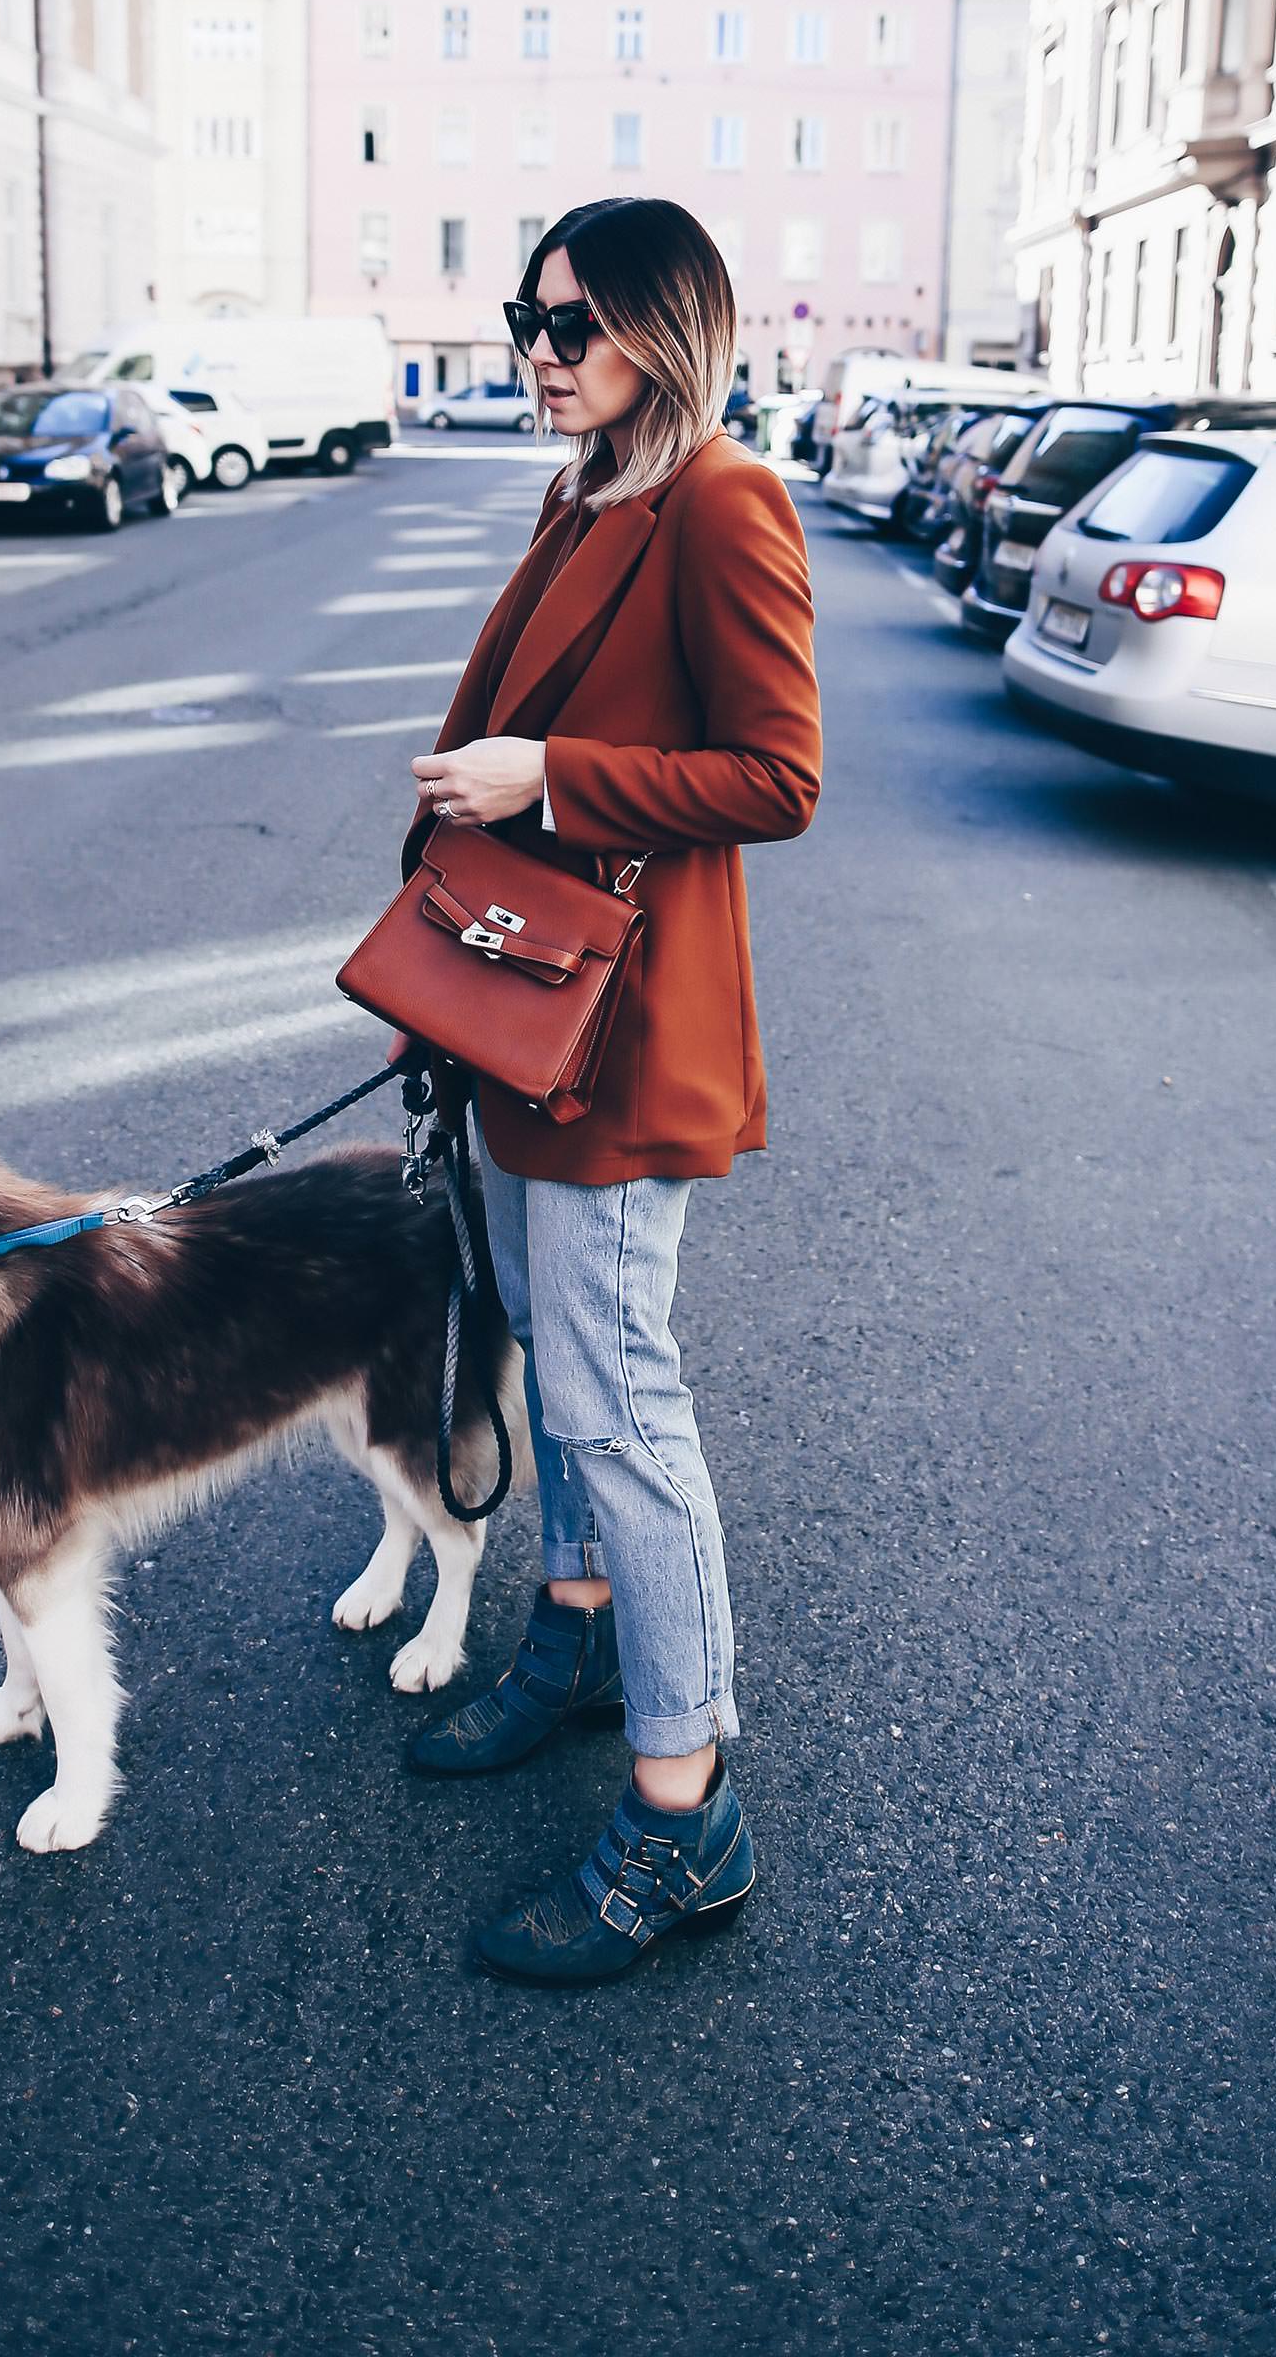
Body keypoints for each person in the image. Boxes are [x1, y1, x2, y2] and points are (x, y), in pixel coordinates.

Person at [391, 196, 822, 1984]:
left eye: (573, 323)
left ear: (670, 325)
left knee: (619, 1401)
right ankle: (574, 1633)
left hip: (624, 1040)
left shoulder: (722, 497)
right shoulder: (589, 491)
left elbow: (781, 774)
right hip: (517, 1008)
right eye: (525, 318)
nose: (539, 351)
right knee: (560, 1374)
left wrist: (549, 777)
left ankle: (683, 1813)